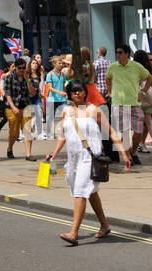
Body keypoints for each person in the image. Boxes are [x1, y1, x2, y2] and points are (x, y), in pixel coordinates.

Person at [46, 80, 119, 245]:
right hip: (74, 159)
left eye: (79, 91)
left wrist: (124, 151)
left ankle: (73, 233)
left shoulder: (94, 109)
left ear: (85, 92)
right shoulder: (66, 111)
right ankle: (105, 225)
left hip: (90, 157)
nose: (77, 94)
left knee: (80, 192)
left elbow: (110, 130)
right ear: (70, 95)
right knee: (90, 192)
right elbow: (62, 136)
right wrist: (54, 153)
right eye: (73, 92)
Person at [106, 44, 152, 170]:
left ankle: (134, 151)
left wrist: (143, 92)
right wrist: (110, 92)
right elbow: (108, 79)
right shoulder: (112, 67)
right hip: (118, 103)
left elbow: (149, 78)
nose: (118, 54)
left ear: (127, 54)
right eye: (117, 52)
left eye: (120, 52)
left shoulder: (136, 66)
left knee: (138, 131)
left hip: (134, 103)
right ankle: (128, 157)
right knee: (124, 131)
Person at [3, 56, 39, 161]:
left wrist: (28, 80)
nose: (22, 70)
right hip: (12, 107)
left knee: (28, 130)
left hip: (26, 106)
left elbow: (32, 93)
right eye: (20, 68)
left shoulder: (28, 77)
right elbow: (8, 94)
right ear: (15, 68)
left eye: (24, 68)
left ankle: (28, 154)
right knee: (14, 132)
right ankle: (10, 148)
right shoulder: (9, 77)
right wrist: (13, 107)